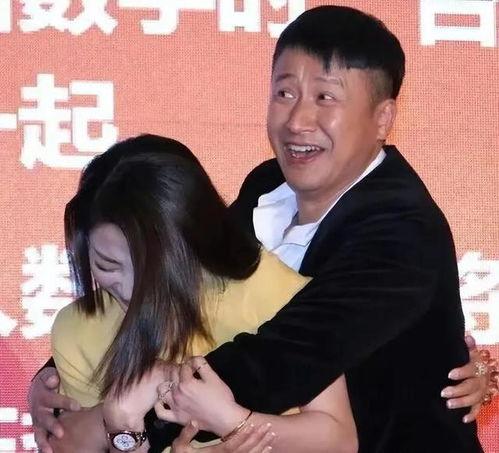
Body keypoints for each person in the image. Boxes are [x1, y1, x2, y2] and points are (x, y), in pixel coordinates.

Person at [29, 5, 493, 453]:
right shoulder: (267, 184)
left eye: (325, 98)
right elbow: (182, 283)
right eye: (284, 93)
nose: (297, 121)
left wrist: (113, 425)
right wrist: (56, 379)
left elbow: (276, 363)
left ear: (383, 118)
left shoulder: (404, 233)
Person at [48, 134, 357, 452]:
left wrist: (232, 422)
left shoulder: (270, 291)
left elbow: (339, 441)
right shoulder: (78, 331)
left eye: (153, 270)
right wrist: (118, 420)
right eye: (108, 265)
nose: (132, 289)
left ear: (195, 239)